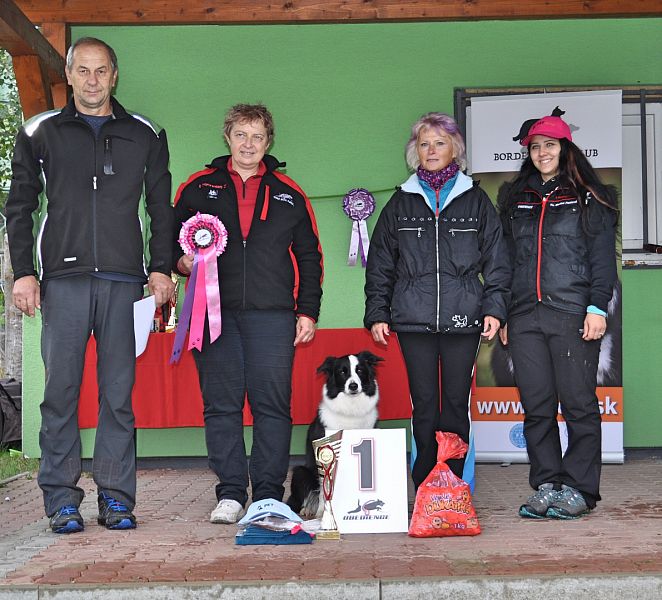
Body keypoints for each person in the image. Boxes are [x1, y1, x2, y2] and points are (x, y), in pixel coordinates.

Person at [6, 37, 174, 533]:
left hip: (125, 282)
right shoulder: (40, 132)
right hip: (62, 281)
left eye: (102, 71)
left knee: (118, 396)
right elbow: (19, 208)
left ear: (114, 76)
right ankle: (61, 499)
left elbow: (159, 208)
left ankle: (117, 499)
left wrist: (160, 267)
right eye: (83, 70)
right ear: (70, 74)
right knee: (60, 392)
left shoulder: (145, 132)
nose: (93, 80)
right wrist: (23, 272)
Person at [173, 103, 323, 524]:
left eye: (257, 137)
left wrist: (307, 311)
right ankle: (232, 493)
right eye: (241, 135)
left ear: (268, 142)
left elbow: (310, 257)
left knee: (272, 406)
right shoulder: (198, 188)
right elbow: (168, 242)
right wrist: (181, 263)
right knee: (221, 405)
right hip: (211, 314)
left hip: (273, 317)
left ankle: (269, 495)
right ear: (228, 138)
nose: (249, 144)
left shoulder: (289, 193)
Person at [364, 112, 510, 490]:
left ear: (454, 149)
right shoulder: (401, 203)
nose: (431, 150)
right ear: (415, 151)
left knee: (456, 406)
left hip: (466, 320)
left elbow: (497, 260)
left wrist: (495, 308)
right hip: (413, 321)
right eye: (424, 143)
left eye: (439, 143)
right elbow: (380, 263)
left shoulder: (476, 200)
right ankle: (427, 486)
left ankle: (456, 486)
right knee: (424, 406)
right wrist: (378, 313)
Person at [497, 115, 619, 519]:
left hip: (572, 313)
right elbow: (508, 260)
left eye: (550, 145)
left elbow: (602, 259)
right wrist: (508, 314)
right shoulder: (517, 197)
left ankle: (581, 489)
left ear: (566, 149)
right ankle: (548, 483)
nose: (542, 153)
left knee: (579, 404)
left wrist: (598, 306)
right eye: (534, 147)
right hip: (525, 315)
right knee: (537, 406)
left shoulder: (589, 195)